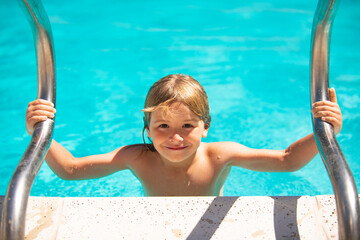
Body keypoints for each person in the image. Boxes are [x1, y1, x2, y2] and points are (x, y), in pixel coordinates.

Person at [25, 74, 342, 196]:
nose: (175, 137)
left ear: (206, 126)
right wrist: (40, 134)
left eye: (187, 126)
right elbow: (69, 170)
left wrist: (323, 132)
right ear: (148, 131)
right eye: (163, 127)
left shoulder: (220, 155)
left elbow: (287, 161)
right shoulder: (136, 158)